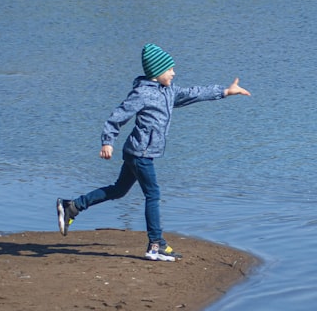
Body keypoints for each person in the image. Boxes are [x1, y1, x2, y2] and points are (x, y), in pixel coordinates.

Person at [57, 43, 250, 261]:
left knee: (119, 190)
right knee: (153, 194)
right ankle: (155, 244)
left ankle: (72, 206)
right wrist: (107, 141)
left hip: (139, 152)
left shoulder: (168, 91)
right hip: (140, 153)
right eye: (170, 70)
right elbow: (118, 116)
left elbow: (193, 94)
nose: (174, 73)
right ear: (157, 73)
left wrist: (225, 91)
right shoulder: (142, 94)